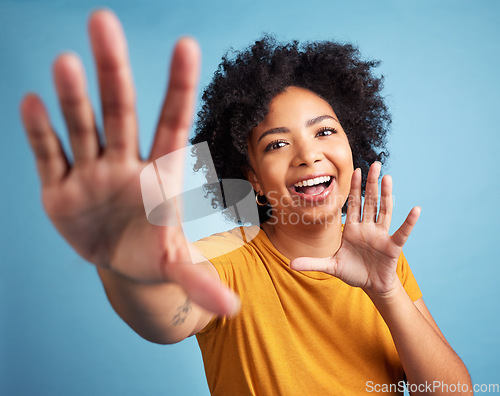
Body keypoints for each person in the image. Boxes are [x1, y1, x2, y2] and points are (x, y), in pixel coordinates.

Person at [20, 9, 472, 396]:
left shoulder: (384, 261)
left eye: (325, 131)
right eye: (277, 144)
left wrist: (387, 290)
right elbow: (165, 313)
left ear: (353, 144)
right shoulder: (231, 258)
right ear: (252, 178)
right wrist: (128, 264)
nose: (308, 154)